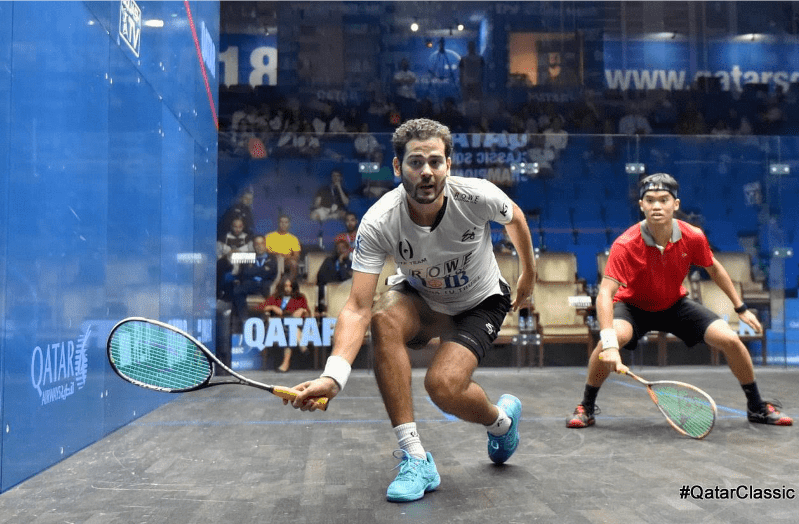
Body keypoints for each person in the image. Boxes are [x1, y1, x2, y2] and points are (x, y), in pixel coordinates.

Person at [286, 118, 537, 502]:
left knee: (442, 387)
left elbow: (515, 217)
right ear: (397, 166)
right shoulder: (379, 221)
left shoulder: (477, 196)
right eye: (416, 162)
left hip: (480, 302)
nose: (426, 172)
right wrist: (333, 377)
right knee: (383, 316)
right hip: (423, 299)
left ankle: (501, 423)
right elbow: (357, 306)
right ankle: (415, 458)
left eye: (435, 162)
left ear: (448, 165)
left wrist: (528, 275)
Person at [566, 173, 792, 429]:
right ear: (641, 205)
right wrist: (609, 345)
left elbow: (714, 268)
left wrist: (740, 308)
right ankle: (586, 406)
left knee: (730, 339)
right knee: (608, 342)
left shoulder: (692, 236)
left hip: (674, 305)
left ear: (676, 204)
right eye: (650, 200)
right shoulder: (626, 244)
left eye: (664, 200)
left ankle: (756, 407)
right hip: (632, 308)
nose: (656, 206)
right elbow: (605, 294)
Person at [260, 276, 311, 373]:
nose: (288, 288)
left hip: (295, 324)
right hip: (279, 325)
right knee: (289, 328)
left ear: (294, 287)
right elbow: (261, 307)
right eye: (285, 286)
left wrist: (302, 310)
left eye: (290, 286)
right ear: (282, 286)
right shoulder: (276, 297)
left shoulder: (300, 297)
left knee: (290, 326)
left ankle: (285, 364)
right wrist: (272, 307)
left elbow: (308, 313)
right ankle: (301, 344)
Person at [230, 235, 278, 329]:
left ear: (265, 244)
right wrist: (262, 269)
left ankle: (267, 323)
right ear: (253, 246)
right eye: (257, 244)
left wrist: (253, 270)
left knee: (273, 294)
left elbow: (270, 272)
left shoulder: (272, 257)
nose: (259, 246)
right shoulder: (248, 256)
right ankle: (244, 319)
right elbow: (245, 272)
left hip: (265, 285)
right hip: (250, 284)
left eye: (262, 243)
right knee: (237, 290)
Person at [315, 238, 354, 312]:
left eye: (343, 248)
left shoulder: (350, 264)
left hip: (344, 293)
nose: (341, 250)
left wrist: (341, 263)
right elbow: (321, 277)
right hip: (327, 291)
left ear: (348, 250)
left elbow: (346, 279)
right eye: (338, 248)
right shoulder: (328, 261)